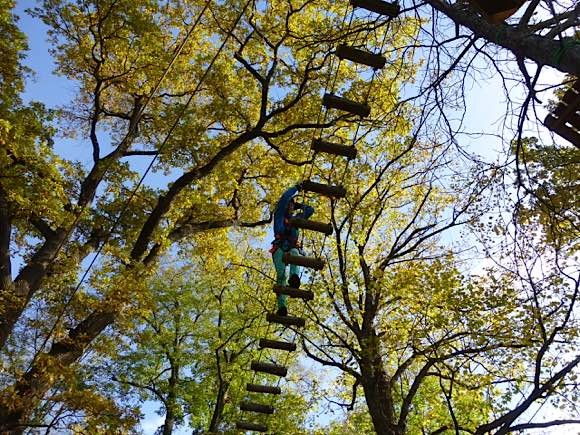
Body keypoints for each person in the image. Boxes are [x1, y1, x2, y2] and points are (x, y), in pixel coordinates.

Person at [270, 183, 314, 316]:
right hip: (279, 247)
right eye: (289, 205)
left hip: (292, 247)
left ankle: (294, 278)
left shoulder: (297, 219)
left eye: (292, 206)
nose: (290, 207)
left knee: (295, 254)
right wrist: (296, 188)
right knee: (281, 275)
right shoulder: (279, 216)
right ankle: (282, 307)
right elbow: (284, 198)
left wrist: (299, 206)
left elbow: (310, 210)